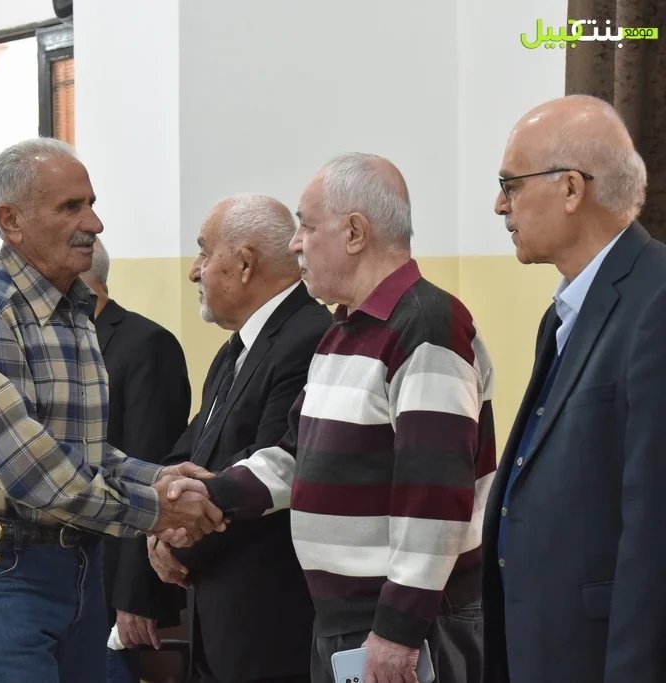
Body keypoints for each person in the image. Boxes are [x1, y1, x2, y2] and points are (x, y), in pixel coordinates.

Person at [166, 154, 495, 683]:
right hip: (344, 619)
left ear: (355, 233)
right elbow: (295, 456)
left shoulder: (426, 326)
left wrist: (399, 630)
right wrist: (213, 494)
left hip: (404, 623)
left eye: (307, 226)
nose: (296, 244)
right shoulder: (343, 330)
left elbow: (435, 495)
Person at [0, 137, 224, 683]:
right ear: (11, 222)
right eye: (71, 207)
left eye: (91, 204)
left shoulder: (73, 307)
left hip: (77, 565)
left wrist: (160, 478)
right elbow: (32, 471)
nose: (94, 223)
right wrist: (159, 510)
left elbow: (83, 453)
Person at [482, 95, 666, 683]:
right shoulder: (565, 312)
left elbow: (653, 527)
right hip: (541, 647)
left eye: (510, 184)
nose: (499, 205)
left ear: (570, 189)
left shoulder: (656, 301)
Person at [146, 194, 328, 683]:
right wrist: (159, 521)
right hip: (220, 615)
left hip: (270, 621)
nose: (194, 270)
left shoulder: (310, 338)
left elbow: (271, 469)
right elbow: (190, 452)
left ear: (245, 264)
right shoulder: (236, 349)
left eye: (204, 253)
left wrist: (178, 542)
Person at [79, 238, 191, 683]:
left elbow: (151, 468)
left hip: (113, 581)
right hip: (64, 573)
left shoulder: (146, 344)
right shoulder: (56, 346)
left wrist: (135, 594)